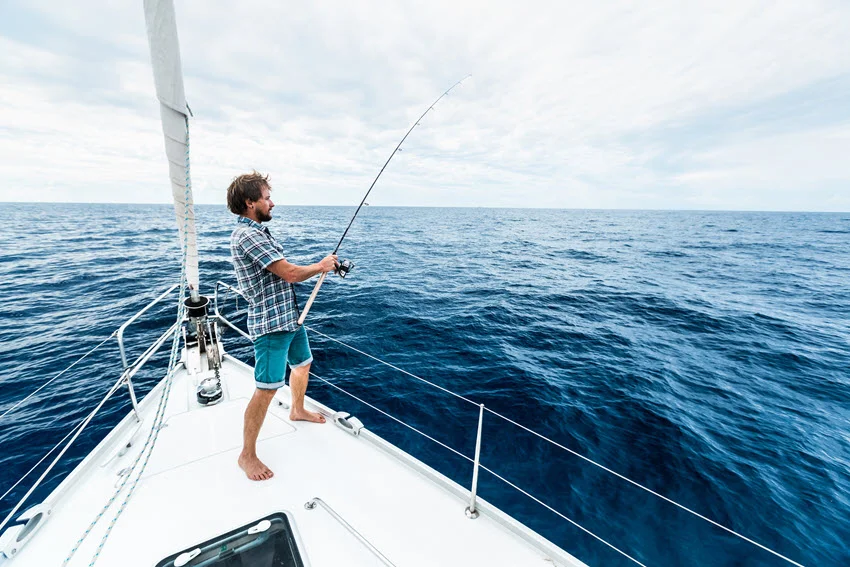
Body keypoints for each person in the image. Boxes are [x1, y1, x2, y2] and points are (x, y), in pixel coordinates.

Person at [227, 171, 337, 481]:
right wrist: (321, 265)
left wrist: (318, 266)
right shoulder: (247, 235)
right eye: (266, 198)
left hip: (290, 317)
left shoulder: (258, 231)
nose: (272, 203)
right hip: (272, 325)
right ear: (250, 203)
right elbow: (288, 273)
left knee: (303, 364)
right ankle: (246, 455)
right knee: (266, 388)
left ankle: (297, 409)